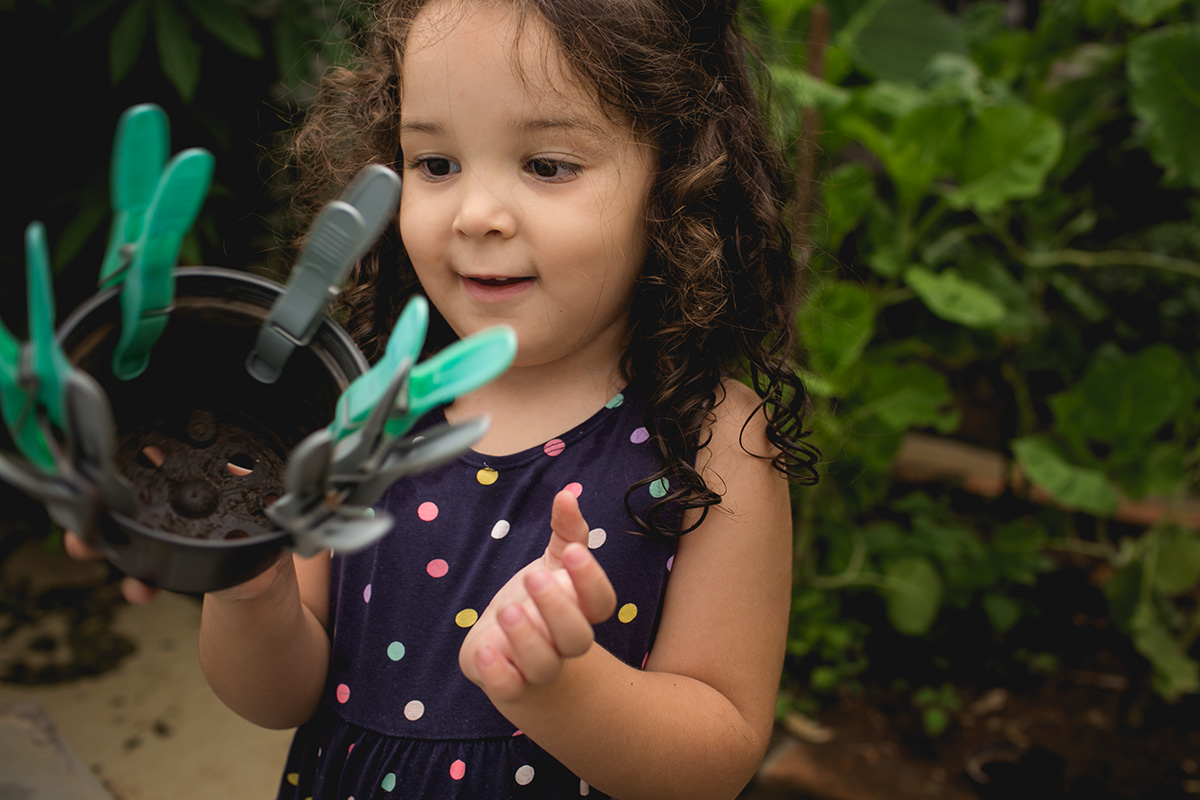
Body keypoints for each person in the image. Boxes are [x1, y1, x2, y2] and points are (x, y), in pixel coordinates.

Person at [72, 0, 818, 796]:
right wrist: (250, 581)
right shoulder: (359, 407)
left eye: (547, 166)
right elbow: (278, 697)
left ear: (677, 180)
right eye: (435, 164)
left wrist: (562, 688)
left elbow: (718, 756)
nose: (475, 215)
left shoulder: (713, 440)